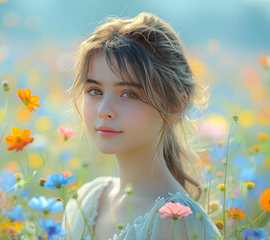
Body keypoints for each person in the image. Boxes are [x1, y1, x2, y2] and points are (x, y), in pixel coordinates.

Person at [62, 12, 221, 240]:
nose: (104, 110)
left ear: (175, 105)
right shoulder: (86, 201)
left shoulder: (177, 219)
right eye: (95, 91)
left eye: (129, 94)